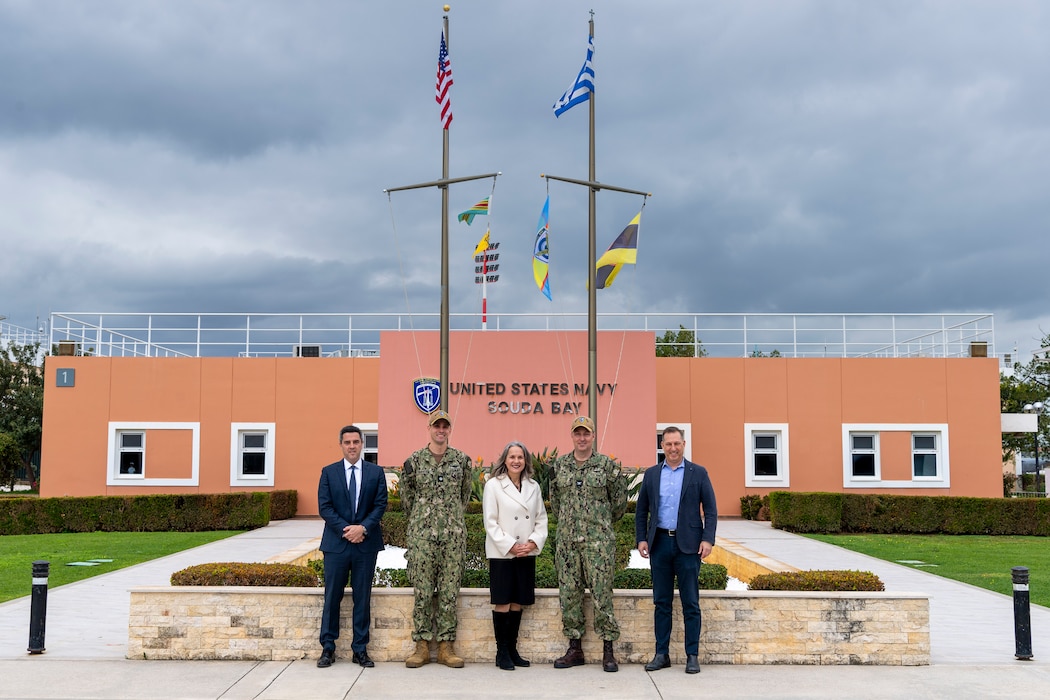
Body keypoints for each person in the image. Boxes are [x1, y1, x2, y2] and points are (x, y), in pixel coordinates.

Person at [635, 426, 717, 675]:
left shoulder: (698, 473)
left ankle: (692, 655)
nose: (672, 448)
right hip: (659, 544)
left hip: (689, 546)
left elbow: (711, 511)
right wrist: (641, 539)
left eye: (677, 444)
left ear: (684, 444)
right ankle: (662, 654)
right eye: (668, 444)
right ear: (662, 446)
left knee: (691, 602)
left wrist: (708, 540)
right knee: (662, 602)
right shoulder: (651, 475)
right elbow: (641, 511)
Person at [549, 415, 628, 672]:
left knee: (602, 596)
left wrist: (599, 525)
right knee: (569, 595)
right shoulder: (559, 466)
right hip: (568, 543)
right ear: (572, 436)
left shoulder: (606, 466)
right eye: (577, 433)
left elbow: (619, 504)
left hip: (598, 544)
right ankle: (575, 649)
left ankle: (608, 651)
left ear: (593, 436)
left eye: (586, 433)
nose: (582, 438)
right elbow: (556, 503)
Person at [399, 409, 473, 668]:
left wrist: (449, 519)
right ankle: (420, 646)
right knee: (422, 591)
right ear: (429, 428)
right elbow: (406, 499)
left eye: (445, 426)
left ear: (449, 430)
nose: (440, 430)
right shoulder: (414, 462)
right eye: (436, 426)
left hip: (453, 537)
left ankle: (445, 646)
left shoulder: (462, 461)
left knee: (449, 592)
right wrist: (423, 520)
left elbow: (465, 497)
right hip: (421, 537)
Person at [316, 425, 388, 669]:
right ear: (341, 444)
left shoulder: (376, 473)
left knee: (362, 597)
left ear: (362, 444)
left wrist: (363, 528)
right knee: (332, 597)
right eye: (347, 442)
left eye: (356, 442)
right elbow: (324, 507)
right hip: (337, 545)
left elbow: (380, 505)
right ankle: (328, 647)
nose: (352, 446)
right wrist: (347, 530)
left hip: (366, 545)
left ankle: (360, 649)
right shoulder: (329, 472)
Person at [482, 441, 549, 671]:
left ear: (526, 461)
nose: (516, 461)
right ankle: (501, 652)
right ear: (505, 459)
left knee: (518, 602)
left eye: (520, 457)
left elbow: (541, 519)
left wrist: (532, 543)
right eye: (512, 457)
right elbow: (490, 522)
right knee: (503, 601)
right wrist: (510, 546)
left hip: (525, 553)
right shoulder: (493, 485)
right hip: (503, 553)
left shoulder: (534, 486)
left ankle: (512, 649)